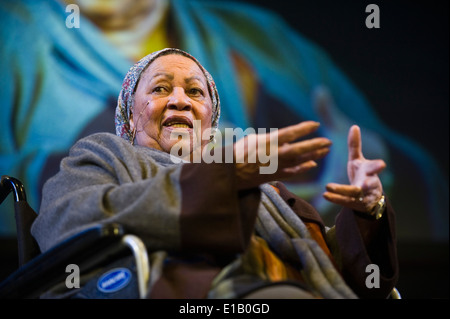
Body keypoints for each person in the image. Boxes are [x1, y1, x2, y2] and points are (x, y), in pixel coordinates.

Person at [31, 48, 398, 299]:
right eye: (160, 88)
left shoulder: (263, 187)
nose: (180, 100)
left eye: (195, 91)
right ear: (129, 115)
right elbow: (64, 224)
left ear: (210, 122)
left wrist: (369, 212)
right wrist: (218, 179)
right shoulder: (103, 154)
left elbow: (347, 273)